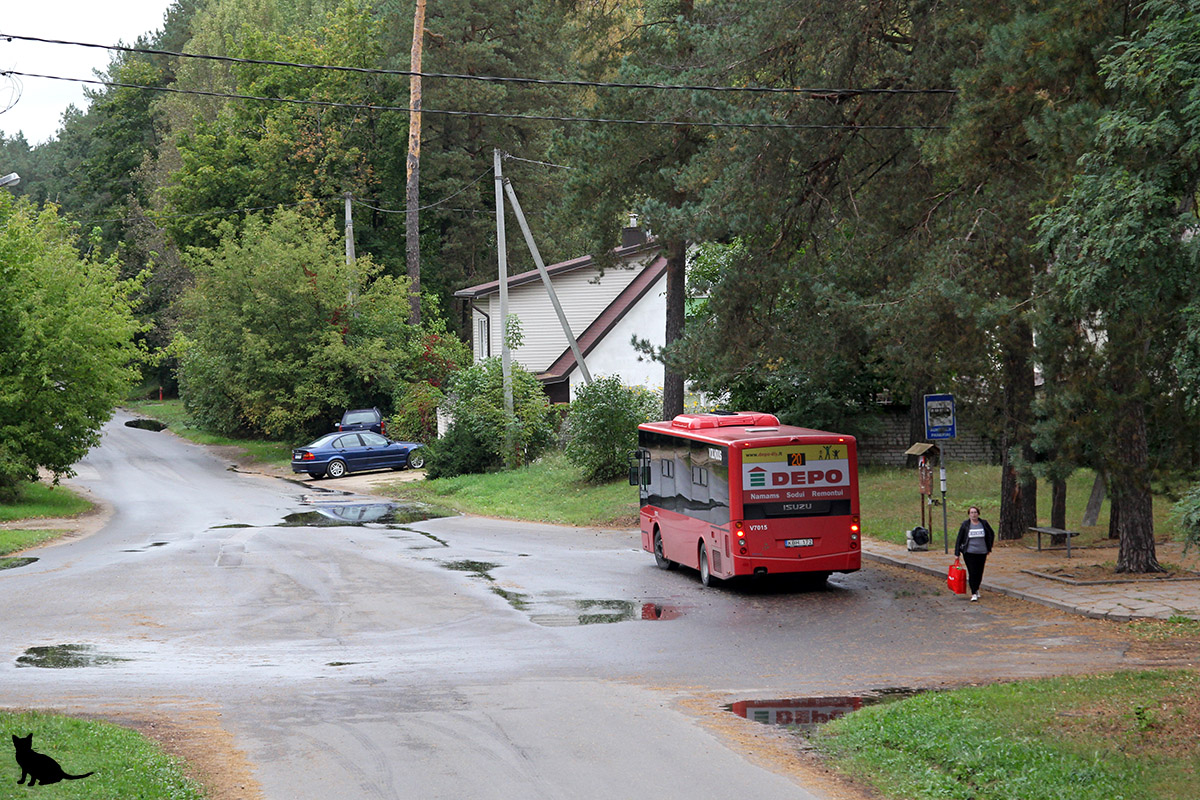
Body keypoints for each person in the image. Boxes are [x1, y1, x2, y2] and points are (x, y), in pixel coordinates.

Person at [954, 505, 995, 602]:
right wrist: (957, 553)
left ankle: (976, 588)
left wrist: (989, 546)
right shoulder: (965, 525)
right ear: (969, 515)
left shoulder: (983, 523)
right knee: (972, 572)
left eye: (975, 512)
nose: (973, 514)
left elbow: (991, 534)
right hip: (969, 552)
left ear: (978, 514)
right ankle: (973, 592)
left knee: (979, 572)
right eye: (971, 513)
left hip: (982, 552)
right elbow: (959, 538)